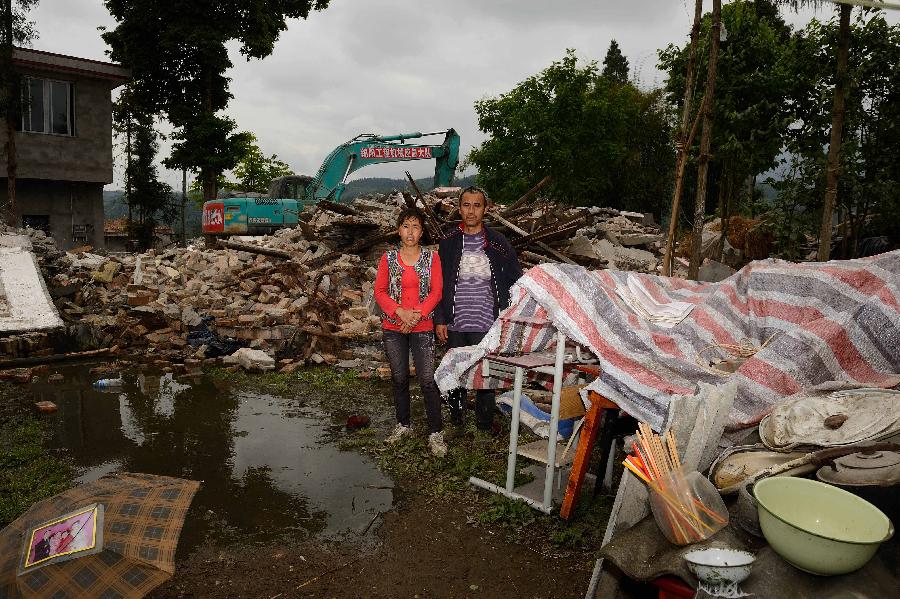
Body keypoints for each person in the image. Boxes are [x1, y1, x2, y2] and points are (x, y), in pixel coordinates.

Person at [435, 186, 523, 432]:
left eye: (477, 205)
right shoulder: (449, 242)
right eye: (466, 205)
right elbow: (440, 283)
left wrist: (509, 314)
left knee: (486, 374)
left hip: (487, 323)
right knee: (457, 371)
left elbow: (516, 277)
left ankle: (484, 424)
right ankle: (457, 420)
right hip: (456, 322)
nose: (471, 211)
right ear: (459, 208)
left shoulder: (498, 242)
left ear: (486, 209)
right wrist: (440, 318)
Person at [374, 206, 447, 457]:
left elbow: (437, 292)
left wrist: (414, 315)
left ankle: (435, 432)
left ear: (422, 231)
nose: (410, 231)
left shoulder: (432, 258)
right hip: (393, 327)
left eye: (415, 227)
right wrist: (400, 313)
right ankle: (403, 425)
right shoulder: (388, 259)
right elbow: (380, 292)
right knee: (400, 378)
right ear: (399, 230)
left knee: (428, 380)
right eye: (406, 226)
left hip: (423, 326)